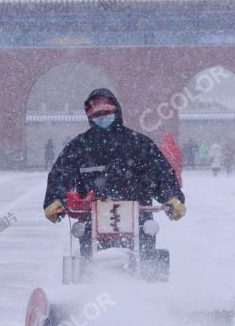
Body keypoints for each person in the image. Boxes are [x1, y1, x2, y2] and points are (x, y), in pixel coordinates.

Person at [43, 88, 186, 256]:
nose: (102, 117)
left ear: (116, 111)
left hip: (139, 216)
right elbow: (60, 174)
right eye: (97, 114)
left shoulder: (139, 144)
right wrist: (54, 200)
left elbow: (161, 173)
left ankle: (148, 278)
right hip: (91, 217)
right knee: (87, 263)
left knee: (149, 259)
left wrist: (173, 197)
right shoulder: (79, 147)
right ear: (90, 117)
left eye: (107, 112)